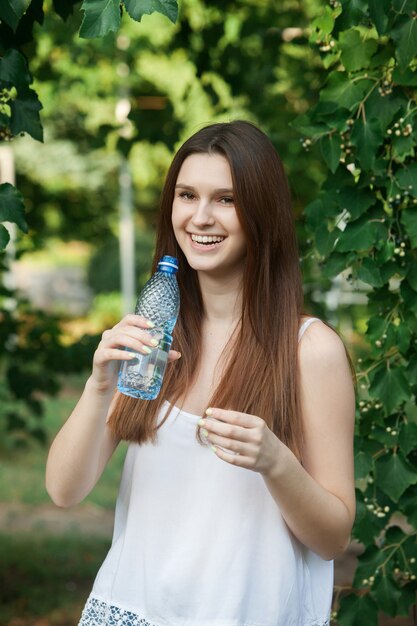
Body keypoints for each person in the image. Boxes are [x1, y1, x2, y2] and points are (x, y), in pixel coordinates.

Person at [46, 120, 356, 626]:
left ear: (262, 213)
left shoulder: (310, 351)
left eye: (227, 199)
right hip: (129, 611)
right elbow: (63, 490)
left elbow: (333, 538)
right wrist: (99, 387)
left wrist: (276, 461)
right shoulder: (154, 336)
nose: (201, 217)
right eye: (187, 195)